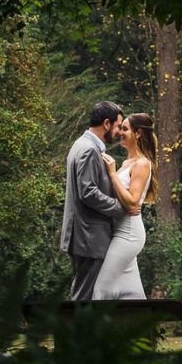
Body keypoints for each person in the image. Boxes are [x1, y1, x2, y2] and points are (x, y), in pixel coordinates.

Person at [60, 101, 125, 301]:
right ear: (106, 123)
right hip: (88, 236)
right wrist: (118, 207)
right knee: (84, 297)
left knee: (84, 294)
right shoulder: (89, 149)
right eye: (118, 126)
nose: (119, 132)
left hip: (83, 235)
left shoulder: (81, 144)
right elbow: (87, 192)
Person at [92, 112, 158, 300]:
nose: (120, 132)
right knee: (132, 295)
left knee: (101, 290)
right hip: (119, 230)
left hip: (128, 234)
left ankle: (95, 320)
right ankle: (142, 319)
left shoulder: (142, 164)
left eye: (125, 129)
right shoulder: (127, 163)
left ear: (138, 133)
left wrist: (112, 174)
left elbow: (132, 202)